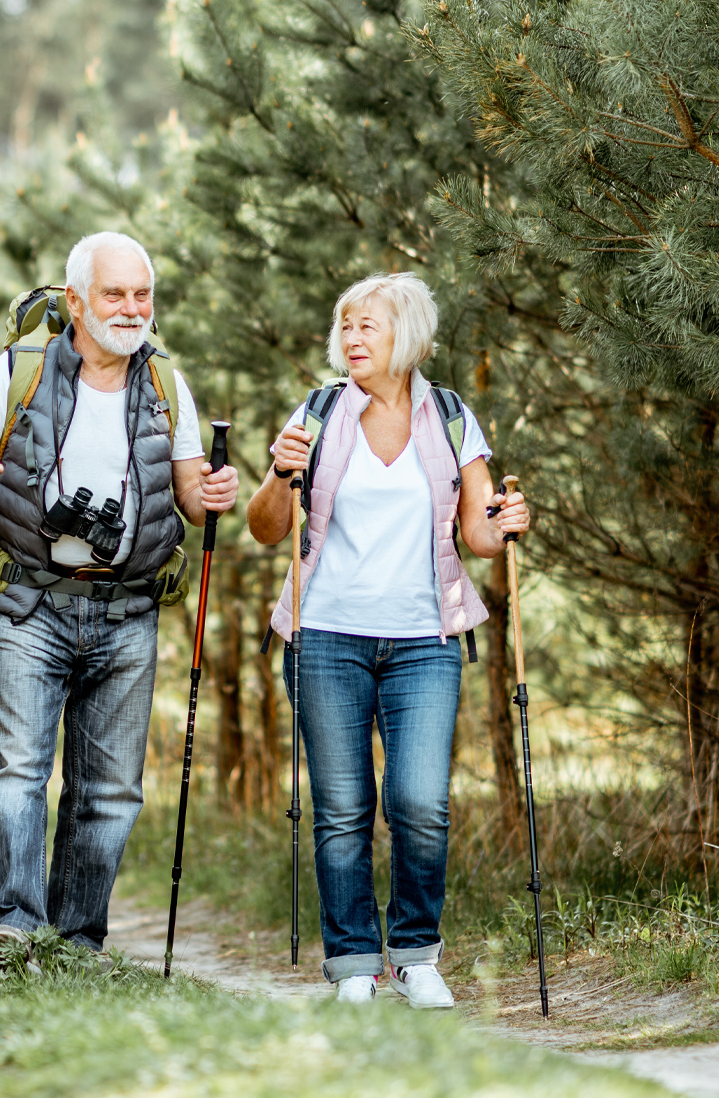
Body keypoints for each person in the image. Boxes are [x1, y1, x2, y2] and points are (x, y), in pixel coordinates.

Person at [0, 231, 239, 970]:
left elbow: (194, 497)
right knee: (19, 772)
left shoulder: (167, 384)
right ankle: (14, 927)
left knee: (109, 791)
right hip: (27, 605)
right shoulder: (20, 368)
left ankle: (77, 943)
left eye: (143, 294)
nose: (132, 308)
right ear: (77, 300)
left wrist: (217, 492)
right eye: (116, 293)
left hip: (130, 610)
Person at [246, 271, 530, 1008]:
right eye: (346, 327)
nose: (351, 339)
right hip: (326, 637)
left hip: (423, 642)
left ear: (406, 333)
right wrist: (281, 474)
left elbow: (478, 535)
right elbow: (265, 527)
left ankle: (413, 954)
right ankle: (351, 964)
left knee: (419, 800)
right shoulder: (315, 413)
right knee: (341, 809)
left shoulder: (452, 416)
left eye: (366, 325)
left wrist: (505, 524)